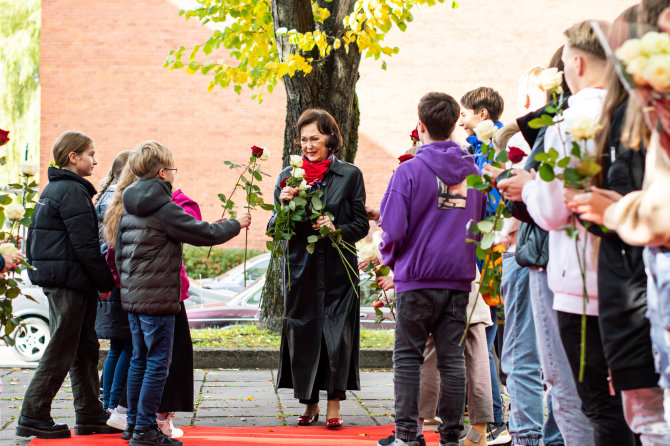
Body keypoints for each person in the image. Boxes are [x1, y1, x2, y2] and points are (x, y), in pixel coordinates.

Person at [507, 21, 634, 445]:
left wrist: (527, 188)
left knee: (584, 397)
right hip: (631, 274)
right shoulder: (631, 116)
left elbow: (554, 211)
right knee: (633, 399)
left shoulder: (569, 125)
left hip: (578, 277)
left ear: (575, 64)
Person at [116, 141, 250, 446]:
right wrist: (237, 224)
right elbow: (204, 235)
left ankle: (134, 424)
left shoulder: (129, 208)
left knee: (139, 358)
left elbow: (122, 257)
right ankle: (146, 431)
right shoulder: (164, 208)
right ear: (163, 173)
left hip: (134, 299)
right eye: (173, 169)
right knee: (157, 363)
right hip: (159, 300)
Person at [497, 46, 593, 446]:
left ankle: (529, 434)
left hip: (542, 254)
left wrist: (521, 187)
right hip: (561, 256)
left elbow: (547, 207)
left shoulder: (559, 127)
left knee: (539, 358)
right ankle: (546, 434)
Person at [378, 92, 486, 446]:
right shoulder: (474, 173)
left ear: (421, 126)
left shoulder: (409, 171)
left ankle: (408, 435)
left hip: (416, 279)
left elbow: (392, 230)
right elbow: (481, 221)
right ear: (456, 124)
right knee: (452, 360)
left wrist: (392, 262)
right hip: (457, 279)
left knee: (408, 358)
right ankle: (451, 436)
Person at [271, 108, 369, 428]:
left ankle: (334, 404)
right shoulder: (289, 176)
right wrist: (284, 206)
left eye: (315, 138)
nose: (308, 145)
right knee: (305, 335)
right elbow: (275, 229)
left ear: (330, 138)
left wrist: (336, 227)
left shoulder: (350, 175)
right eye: (303, 139)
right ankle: (310, 402)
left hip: (340, 272)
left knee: (337, 337)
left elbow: (361, 224)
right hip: (302, 271)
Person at [16, 130, 117, 439]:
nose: (96, 160)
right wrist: (105, 282)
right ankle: (33, 414)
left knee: (84, 348)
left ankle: (90, 415)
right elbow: (86, 246)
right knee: (62, 347)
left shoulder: (54, 189)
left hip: (68, 281)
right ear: (74, 157)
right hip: (70, 283)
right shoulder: (71, 192)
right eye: (90, 154)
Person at [459, 85, 507, 440]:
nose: (461, 120)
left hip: (490, 256)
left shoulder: (495, 151)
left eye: (465, 113)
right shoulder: (477, 150)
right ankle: (486, 414)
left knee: (482, 336)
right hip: (481, 252)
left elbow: (490, 208)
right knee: (480, 337)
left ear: (482, 115)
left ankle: (494, 421)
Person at [93, 151, 133, 421]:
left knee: (117, 344)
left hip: (107, 280)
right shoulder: (117, 202)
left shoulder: (104, 197)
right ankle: (113, 405)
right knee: (126, 343)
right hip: (117, 280)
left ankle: (107, 401)